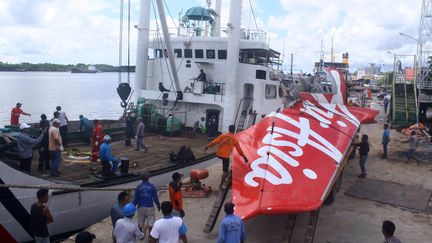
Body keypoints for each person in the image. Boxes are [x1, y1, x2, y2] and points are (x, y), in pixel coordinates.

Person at [204, 125, 248, 190]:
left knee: (226, 168)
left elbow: (215, 142)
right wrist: (244, 157)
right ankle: (221, 186)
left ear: (229, 129)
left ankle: (227, 175)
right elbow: (239, 150)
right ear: (234, 130)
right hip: (225, 156)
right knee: (225, 171)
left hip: (219, 154)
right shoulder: (234, 139)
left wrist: (207, 146)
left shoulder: (223, 136)